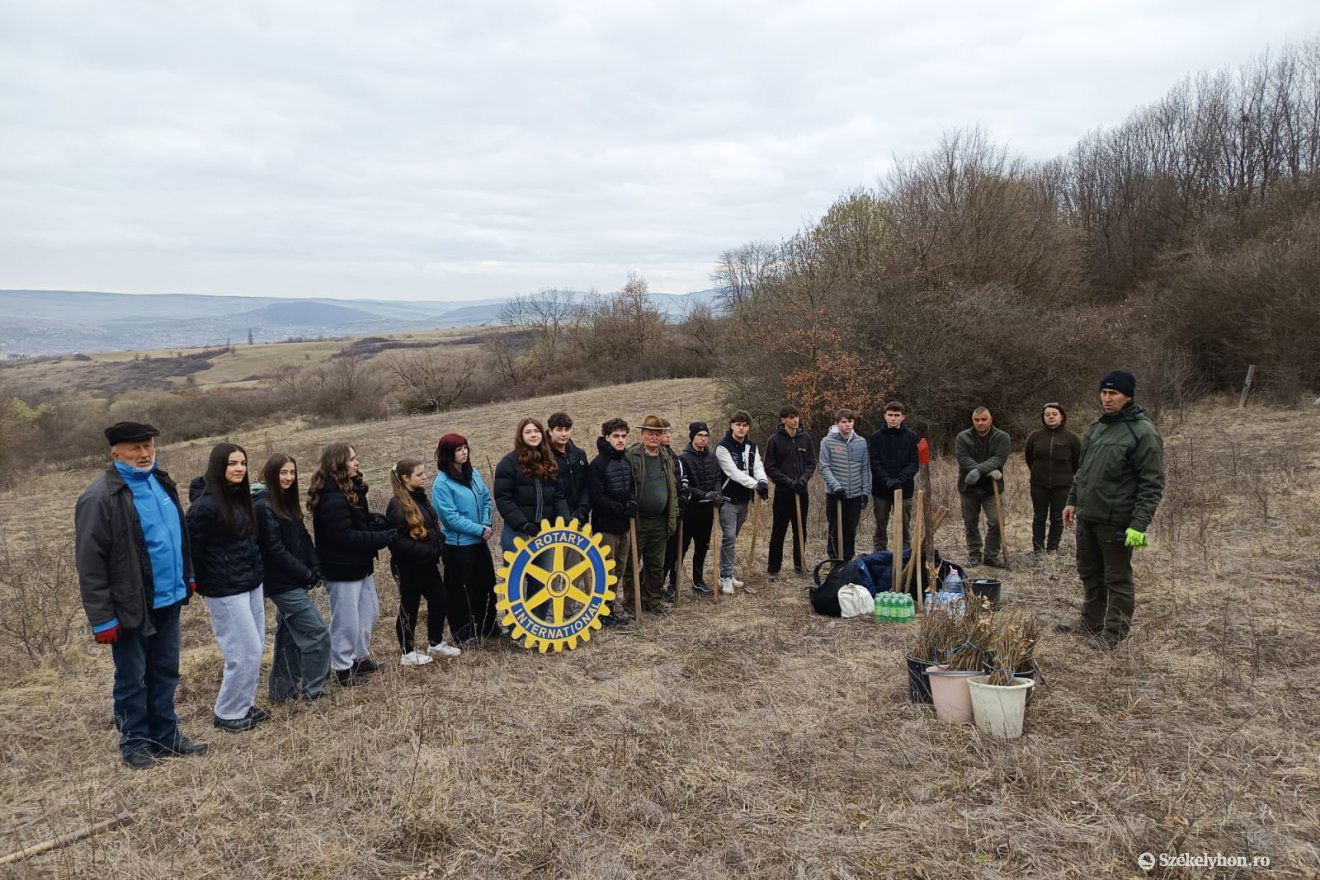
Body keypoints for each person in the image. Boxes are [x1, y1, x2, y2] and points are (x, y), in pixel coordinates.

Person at [74, 421, 207, 769]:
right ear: (115, 453)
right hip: (131, 604)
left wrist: (187, 575)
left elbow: (179, 534)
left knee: (166, 670)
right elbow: (90, 564)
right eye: (135, 448)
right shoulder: (99, 497)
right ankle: (135, 743)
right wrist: (102, 619)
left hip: (169, 598)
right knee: (133, 677)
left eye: (148, 446)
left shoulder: (161, 482)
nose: (144, 453)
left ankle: (166, 736)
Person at [1059, 371, 1165, 648]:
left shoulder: (1143, 432)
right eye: (1104, 393)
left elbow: (1152, 485)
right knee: (1089, 573)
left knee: (1116, 578)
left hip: (1117, 520)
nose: (1107, 399)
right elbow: (1083, 471)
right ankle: (1090, 623)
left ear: (1128, 396)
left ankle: (1114, 634)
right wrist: (1072, 500)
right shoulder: (1096, 427)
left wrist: (1138, 525)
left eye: (1113, 394)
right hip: (1088, 517)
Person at [187, 443, 267, 732]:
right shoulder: (205, 506)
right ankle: (228, 712)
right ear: (218, 467)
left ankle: (243, 704)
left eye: (243, 463)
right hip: (225, 589)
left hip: (250, 582)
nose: (239, 469)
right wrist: (198, 583)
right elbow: (192, 549)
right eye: (232, 463)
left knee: (256, 647)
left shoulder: (240, 497)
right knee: (243, 651)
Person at [309, 443, 396, 686]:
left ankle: (360, 657)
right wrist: (383, 538)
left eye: (356, 458)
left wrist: (374, 521)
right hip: (341, 569)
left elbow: (356, 523)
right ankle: (343, 668)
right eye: (352, 459)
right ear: (338, 464)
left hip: (359, 565)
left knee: (369, 613)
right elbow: (344, 536)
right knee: (345, 620)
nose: (357, 462)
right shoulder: (331, 497)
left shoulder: (350, 490)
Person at [253, 453, 331, 704]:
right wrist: (304, 572)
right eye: (282, 473)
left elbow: (302, 536)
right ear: (270, 474)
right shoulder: (262, 505)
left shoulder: (286, 501)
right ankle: (314, 691)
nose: (288, 477)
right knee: (317, 633)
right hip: (281, 584)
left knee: (288, 637)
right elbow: (273, 550)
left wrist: (315, 565)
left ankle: (280, 692)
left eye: (292, 472)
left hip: (294, 579)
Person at [387, 458, 460, 666]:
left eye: (424, 473)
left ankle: (435, 643)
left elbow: (431, 527)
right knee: (409, 607)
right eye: (419, 474)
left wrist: (440, 542)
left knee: (440, 598)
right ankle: (407, 652)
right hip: (409, 566)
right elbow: (397, 541)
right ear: (405, 478)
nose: (425, 477)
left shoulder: (420, 498)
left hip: (427, 564)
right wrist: (426, 551)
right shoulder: (397, 505)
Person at [431, 433, 499, 644]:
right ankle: (464, 633)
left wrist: (486, 524)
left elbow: (486, 499)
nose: (464, 452)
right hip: (459, 545)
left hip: (480, 541)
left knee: (487, 585)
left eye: (465, 448)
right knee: (461, 592)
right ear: (447, 454)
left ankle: (489, 626)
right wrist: (478, 529)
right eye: (459, 449)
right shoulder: (441, 484)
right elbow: (450, 518)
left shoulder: (474, 473)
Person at [626, 414, 679, 611]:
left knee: (656, 564)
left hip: (659, 520)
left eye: (658, 434)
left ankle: (652, 600)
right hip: (638, 521)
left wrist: (672, 513)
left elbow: (672, 488)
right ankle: (632, 603)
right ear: (642, 435)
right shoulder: (632, 456)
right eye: (650, 434)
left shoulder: (666, 457)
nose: (654, 438)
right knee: (632, 565)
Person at [494, 417, 572, 552]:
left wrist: (564, 519)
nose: (533, 435)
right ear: (520, 436)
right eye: (528, 432)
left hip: (546, 533)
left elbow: (558, 496)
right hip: (518, 533)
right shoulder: (508, 463)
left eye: (536, 431)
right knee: (518, 572)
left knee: (546, 573)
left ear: (542, 434)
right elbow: (503, 498)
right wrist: (522, 523)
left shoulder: (550, 462)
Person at [714, 410, 769, 594]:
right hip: (728, 499)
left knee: (733, 538)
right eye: (738, 424)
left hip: (744, 500)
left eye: (745, 425)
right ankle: (724, 577)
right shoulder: (723, 447)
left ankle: (727, 573)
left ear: (748, 427)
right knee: (728, 537)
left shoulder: (751, 446)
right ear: (731, 425)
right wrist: (756, 485)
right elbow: (733, 473)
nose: (741, 428)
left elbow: (758, 466)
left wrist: (762, 481)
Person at [587, 418, 635, 624]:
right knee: (606, 569)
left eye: (624, 436)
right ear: (607, 437)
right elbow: (597, 497)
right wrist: (621, 509)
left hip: (625, 527)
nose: (621, 440)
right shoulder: (598, 464)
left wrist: (633, 502)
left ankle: (611, 606)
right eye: (616, 436)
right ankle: (602, 610)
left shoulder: (626, 460)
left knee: (620, 568)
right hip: (606, 527)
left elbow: (632, 486)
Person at [955, 407, 1011, 567]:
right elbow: (963, 458)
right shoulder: (963, 437)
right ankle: (974, 555)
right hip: (968, 487)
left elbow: (999, 458)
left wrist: (978, 470)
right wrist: (985, 469)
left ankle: (991, 555)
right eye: (977, 420)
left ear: (990, 419)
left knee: (996, 521)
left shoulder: (1002, 437)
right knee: (970, 522)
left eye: (984, 419)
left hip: (992, 488)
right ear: (973, 421)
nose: (980, 423)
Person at [764, 405, 815, 580]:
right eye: (791, 417)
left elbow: (811, 463)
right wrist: (788, 482)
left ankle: (800, 566)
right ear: (783, 420)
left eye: (797, 417)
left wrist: (802, 480)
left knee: (800, 530)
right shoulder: (774, 440)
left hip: (802, 492)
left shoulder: (805, 438)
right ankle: (773, 568)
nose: (795, 420)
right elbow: (770, 467)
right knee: (779, 531)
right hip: (783, 493)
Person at [1024, 402, 1081, 555]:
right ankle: (1038, 549)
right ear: (1043, 418)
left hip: (1062, 486)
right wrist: (1038, 472)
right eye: (1047, 415)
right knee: (1039, 517)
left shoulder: (1072, 438)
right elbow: (1029, 458)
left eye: (1054, 414)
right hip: (1039, 484)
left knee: (1057, 518)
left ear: (1061, 417)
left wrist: (1066, 476)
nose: (1051, 417)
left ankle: (1052, 549)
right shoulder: (1035, 437)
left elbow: (1077, 462)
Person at [818, 409, 870, 560]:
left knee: (850, 530)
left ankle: (847, 561)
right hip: (835, 495)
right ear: (837, 423)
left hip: (854, 494)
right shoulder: (827, 442)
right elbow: (824, 466)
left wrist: (865, 491)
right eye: (844, 422)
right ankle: (835, 560)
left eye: (850, 421)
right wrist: (836, 487)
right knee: (835, 530)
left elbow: (864, 468)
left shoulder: (861, 442)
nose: (847, 425)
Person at [678, 421, 722, 595]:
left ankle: (698, 581)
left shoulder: (712, 458)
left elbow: (718, 477)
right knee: (682, 547)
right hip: (690, 510)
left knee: (702, 546)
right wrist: (703, 495)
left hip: (707, 511)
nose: (703, 439)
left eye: (705, 436)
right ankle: (674, 583)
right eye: (699, 436)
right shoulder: (684, 458)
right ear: (692, 437)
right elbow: (685, 485)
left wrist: (717, 493)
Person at [870, 401, 919, 551]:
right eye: (890, 415)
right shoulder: (876, 437)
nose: (893, 418)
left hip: (904, 489)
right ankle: (880, 552)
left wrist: (899, 480)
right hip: (881, 489)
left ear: (903, 417)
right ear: (885, 416)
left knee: (904, 524)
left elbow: (913, 463)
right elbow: (874, 462)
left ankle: (904, 552)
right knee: (880, 523)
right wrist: (887, 480)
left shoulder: (911, 437)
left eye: (896, 415)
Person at [548, 412, 590, 526]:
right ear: (550, 431)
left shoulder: (579, 454)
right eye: (559, 429)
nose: (564, 434)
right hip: (556, 523)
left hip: (581, 520)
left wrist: (583, 510)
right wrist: (565, 518)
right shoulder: (544, 457)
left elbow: (588, 484)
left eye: (567, 429)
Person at [659, 420, 685, 599]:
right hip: (659, 513)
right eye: (664, 432)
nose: (668, 435)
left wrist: (684, 495)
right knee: (658, 555)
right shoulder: (653, 455)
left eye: (669, 432)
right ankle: (652, 587)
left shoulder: (674, 455)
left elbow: (681, 479)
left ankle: (669, 585)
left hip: (675, 512)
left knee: (672, 553)